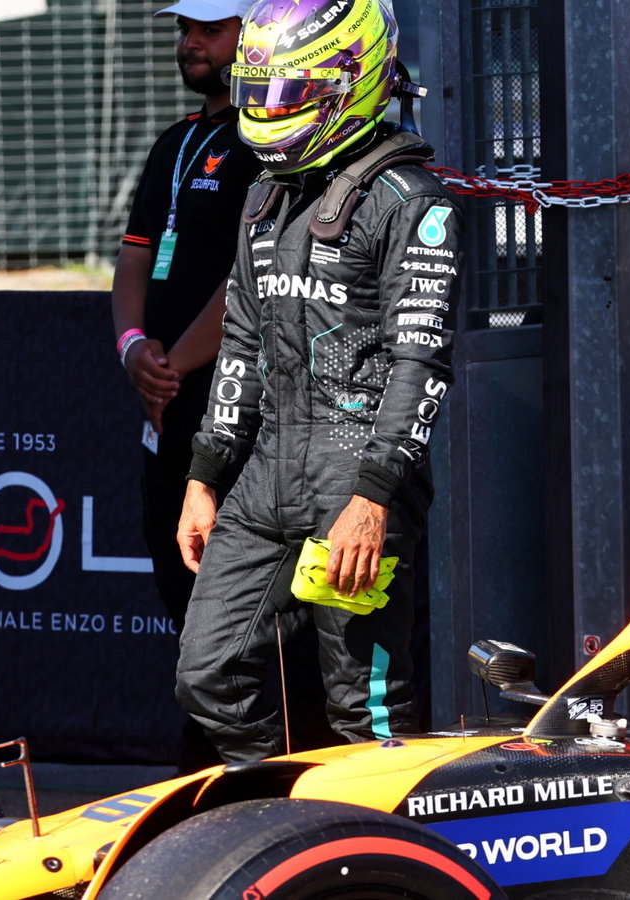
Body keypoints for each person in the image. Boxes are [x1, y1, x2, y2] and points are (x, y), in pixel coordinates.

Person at [173, 0, 463, 761]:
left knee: (366, 716)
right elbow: (241, 339)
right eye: (260, 93)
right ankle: (283, 818)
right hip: (266, 477)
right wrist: (206, 475)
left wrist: (373, 498)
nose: (269, 113)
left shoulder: (412, 203)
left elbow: (421, 363)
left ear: (353, 82)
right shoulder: (264, 197)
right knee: (206, 673)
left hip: (358, 487)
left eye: (289, 95)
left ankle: (390, 863)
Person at [111, 0, 259, 772]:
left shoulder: (269, 143)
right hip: (162, 411)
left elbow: (253, 280)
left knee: (234, 606)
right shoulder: (173, 142)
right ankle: (206, 758)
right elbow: (134, 258)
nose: (190, 42)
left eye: (210, 28)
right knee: (175, 585)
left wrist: (175, 366)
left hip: (230, 414)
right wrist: (134, 346)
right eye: (184, 29)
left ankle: (226, 767)